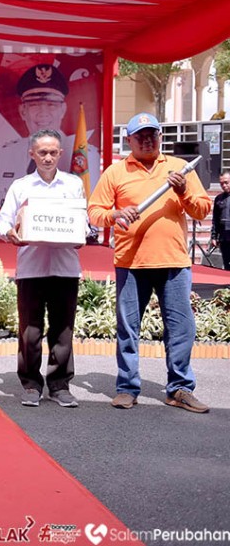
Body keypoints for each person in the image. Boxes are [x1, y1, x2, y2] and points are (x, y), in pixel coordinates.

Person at [88, 112, 212, 413]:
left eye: (152, 134)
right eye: (140, 135)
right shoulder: (115, 173)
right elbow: (94, 212)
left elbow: (202, 209)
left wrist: (182, 190)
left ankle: (180, 388)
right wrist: (116, 215)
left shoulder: (180, 169)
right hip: (131, 263)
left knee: (181, 328)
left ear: (160, 136)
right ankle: (127, 387)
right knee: (128, 328)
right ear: (128, 140)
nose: (147, 139)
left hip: (174, 262)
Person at [0, 129, 84, 408]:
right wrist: (9, 233)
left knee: (63, 330)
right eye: (42, 152)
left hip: (66, 268)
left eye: (53, 152)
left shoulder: (73, 185)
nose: (48, 157)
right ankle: (31, 384)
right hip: (31, 269)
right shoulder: (20, 187)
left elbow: (84, 222)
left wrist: (84, 233)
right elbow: (2, 223)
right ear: (31, 153)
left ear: (60, 154)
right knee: (29, 331)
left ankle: (60, 385)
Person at [0, 64, 101, 207]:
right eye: (34, 105)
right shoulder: (8, 153)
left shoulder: (84, 154)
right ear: (22, 111)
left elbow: (90, 209)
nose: (43, 112)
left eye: (51, 105)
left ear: (63, 110)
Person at [210, 170, 230, 270]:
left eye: (226, 182)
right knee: (226, 261)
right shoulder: (219, 198)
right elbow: (215, 219)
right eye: (221, 183)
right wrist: (214, 236)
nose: (224, 185)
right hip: (224, 237)